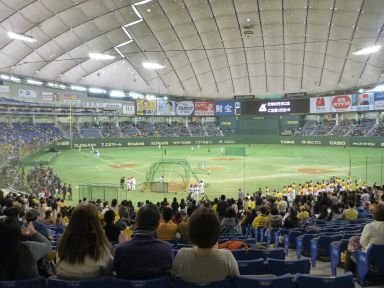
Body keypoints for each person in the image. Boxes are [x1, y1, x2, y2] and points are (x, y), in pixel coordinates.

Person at [171, 208, 239, 283]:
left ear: (192, 232)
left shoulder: (181, 255)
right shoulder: (227, 257)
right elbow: (238, 283)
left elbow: (173, 281)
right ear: (216, 231)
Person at [114, 204, 174, 279]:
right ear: (158, 224)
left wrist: (123, 245)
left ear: (136, 221)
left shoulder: (121, 249)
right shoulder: (167, 249)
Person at [55, 205, 113, 279]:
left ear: (72, 222)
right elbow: (110, 273)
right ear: (96, 223)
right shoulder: (103, 251)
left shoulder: (61, 246)